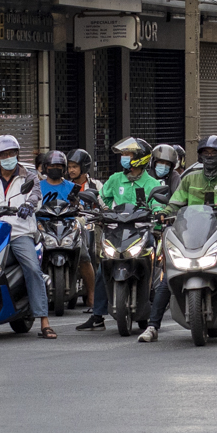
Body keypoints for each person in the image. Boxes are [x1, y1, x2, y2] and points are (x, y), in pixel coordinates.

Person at [140, 136, 217, 343]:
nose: (209, 157)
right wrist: (164, 212)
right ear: (200, 156)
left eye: (214, 153)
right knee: (166, 278)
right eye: (206, 153)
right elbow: (176, 203)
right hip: (189, 234)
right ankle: (152, 326)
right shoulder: (189, 179)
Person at [0, 134, 57, 338]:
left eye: (11, 153)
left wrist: (28, 206)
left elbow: (36, 195)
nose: (8, 157)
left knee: (32, 268)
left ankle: (44, 321)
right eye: (3, 154)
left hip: (19, 234)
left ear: (16, 154)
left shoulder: (29, 176)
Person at [77, 137, 166, 331]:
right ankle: (98, 315)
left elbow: (158, 203)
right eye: (124, 155)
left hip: (141, 230)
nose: (124, 158)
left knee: (153, 265)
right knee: (103, 267)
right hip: (116, 230)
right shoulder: (116, 179)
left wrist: (158, 212)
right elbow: (102, 199)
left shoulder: (151, 182)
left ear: (140, 158)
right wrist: (103, 212)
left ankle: (151, 310)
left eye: (128, 155)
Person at [37, 149, 96, 317]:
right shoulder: (38, 186)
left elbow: (82, 207)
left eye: (58, 166)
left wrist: (79, 207)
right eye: (51, 165)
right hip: (43, 227)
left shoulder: (72, 188)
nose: (55, 168)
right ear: (45, 167)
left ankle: (92, 295)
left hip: (68, 227)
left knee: (84, 256)